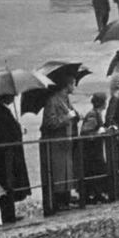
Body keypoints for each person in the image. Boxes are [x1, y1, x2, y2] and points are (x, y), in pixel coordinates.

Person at [0, 93, 30, 223]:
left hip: (2, 155)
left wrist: (17, 128)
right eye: (12, 96)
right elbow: (4, 134)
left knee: (6, 185)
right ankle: (7, 216)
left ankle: (8, 214)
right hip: (3, 156)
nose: (14, 98)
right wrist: (17, 131)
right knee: (6, 184)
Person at [40, 80, 79, 210]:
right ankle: (59, 201)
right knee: (59, 172)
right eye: (73, 83)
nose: (74, 86)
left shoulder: (66, 99)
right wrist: (66, 118)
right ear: (66, 85)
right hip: (57, 143)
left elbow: (72, 113)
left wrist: (76, 115)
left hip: (66, 142)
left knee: (67, 171)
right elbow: (49, 123)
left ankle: (66, 197)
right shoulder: (52, 101)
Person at [78, 92, 110, 203]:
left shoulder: (97, 113)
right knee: (95, 171)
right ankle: (94, 194)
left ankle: (97, 193)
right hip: (91, 151)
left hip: (95, 150)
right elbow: (85, 133)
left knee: (97, 171)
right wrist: (98, 133)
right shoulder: (93, 115)